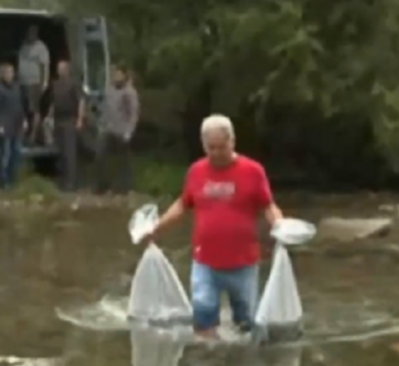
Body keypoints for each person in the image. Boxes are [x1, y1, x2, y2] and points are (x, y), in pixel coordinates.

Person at [142, 114, 284, 338]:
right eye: (211, 148)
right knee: (203, 319)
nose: (216, 153)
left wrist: (280, 226)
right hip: (205, 262)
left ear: (232, 142)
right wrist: (157, 227)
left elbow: (268, 206)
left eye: (221, 147)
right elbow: (182, 204)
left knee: (246, 323)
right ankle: (208, 364)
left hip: (244, 262)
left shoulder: (253, 171)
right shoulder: (196, 171)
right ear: (203, 145)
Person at [94, 64, 139, 194]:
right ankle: (102, 185)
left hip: (122, 131)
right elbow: (105, 108)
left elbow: (133, 113)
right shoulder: (109, 90)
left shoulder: (129, 91)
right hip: (107, 129)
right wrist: (100, 123)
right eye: (115, 74)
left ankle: (124, 187)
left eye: (119, 74)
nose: (116, 77)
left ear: (124, 76)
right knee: (100, 155)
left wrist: (129, 132)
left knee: (122, 161)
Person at [0, 62, 28, 188]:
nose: (9, 75)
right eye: (7, 72)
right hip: (5, 125)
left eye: (11, 72)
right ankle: (3, 180)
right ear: (2, 74)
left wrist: (24, 120)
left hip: (17, 124)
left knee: (16, 153)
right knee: (5, 154)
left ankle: (13, 179)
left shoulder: (16, 87)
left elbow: (20, 105)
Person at [48, 60, 84, 191]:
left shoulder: (73, 84)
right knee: (61, 152)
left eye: (62, 68)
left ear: (67, 70)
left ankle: (72, 182)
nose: (59, 70)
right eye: (58, 68)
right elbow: (53, 102)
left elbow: (81, 101)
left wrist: (80, 119)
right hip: (58, 120)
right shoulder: (55, 84)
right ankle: (63, 181)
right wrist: (50, 117)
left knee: (70, 153)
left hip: (70, 119)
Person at [17, 25, 49, 144]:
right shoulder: (24, 46)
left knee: (34, 110)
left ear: (36, 33)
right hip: (23, 83)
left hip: (34, 83)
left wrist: (44, 82)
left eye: (32, 32)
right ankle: (26, 133)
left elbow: (44, 66)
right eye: (29, 32)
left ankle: (33, 136)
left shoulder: (41, 48)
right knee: (24, 110)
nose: (30, 34)